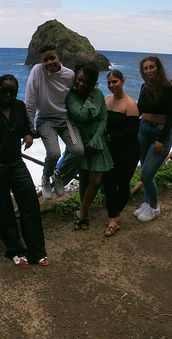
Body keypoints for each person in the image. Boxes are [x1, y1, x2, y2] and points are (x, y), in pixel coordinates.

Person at [0, 75, 48, 268]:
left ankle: (37, 250)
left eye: (12, 91)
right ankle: (15, 250)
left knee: (30, 203)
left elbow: (24, 127)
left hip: (16, 161)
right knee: (4, 208)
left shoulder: (19, 106)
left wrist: (28, 134)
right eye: (4, 90)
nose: (8, 94)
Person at [24, 44, 84, 200]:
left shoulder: (69, 74)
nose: (49, 62)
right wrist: (29, 128)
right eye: (45, 60)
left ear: (58, 57)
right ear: (41, 62)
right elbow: (30, 101)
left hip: (65, 119)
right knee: (54, 153)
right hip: (45, 121)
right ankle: (46, 177)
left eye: (52, 58)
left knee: (78, 150)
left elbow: (73, 97)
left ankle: (58, 175)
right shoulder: (37, 71)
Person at [65, 64, 113, 230]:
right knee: (84, 179)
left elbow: (103, 119)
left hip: (97, 143)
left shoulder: (99, 93)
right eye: (79, 80)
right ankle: (84, 212)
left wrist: (94, 141)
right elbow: (82, 115)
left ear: (93, 83)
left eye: (86, 82)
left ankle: (82, 212)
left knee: (96, 180)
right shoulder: (71, 96)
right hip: (80, 142)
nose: (81, 84)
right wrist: (90, 98)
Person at [133, 55, 172, 223]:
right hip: (143, 131)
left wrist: (160, 140)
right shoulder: (144, 87)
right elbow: (138, 110)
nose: (148, 70)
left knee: (146, 174)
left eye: (152, 67)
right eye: (145, 68)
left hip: (160, 134)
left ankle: (154, 208)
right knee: (145, 170)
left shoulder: (167, 89)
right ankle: (147, 203)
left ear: (158, 68)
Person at [102, 70, 141, 237]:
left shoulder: (130, 104)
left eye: (115, 82)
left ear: (123, 81)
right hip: (110, 150)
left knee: (123, 183)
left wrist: (111, 137)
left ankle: (116, 216)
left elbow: (133, 131)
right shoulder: (106, 99)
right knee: (109, 183)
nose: (111, 85)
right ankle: (113, 217)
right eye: (109, 82)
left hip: (128, 151)